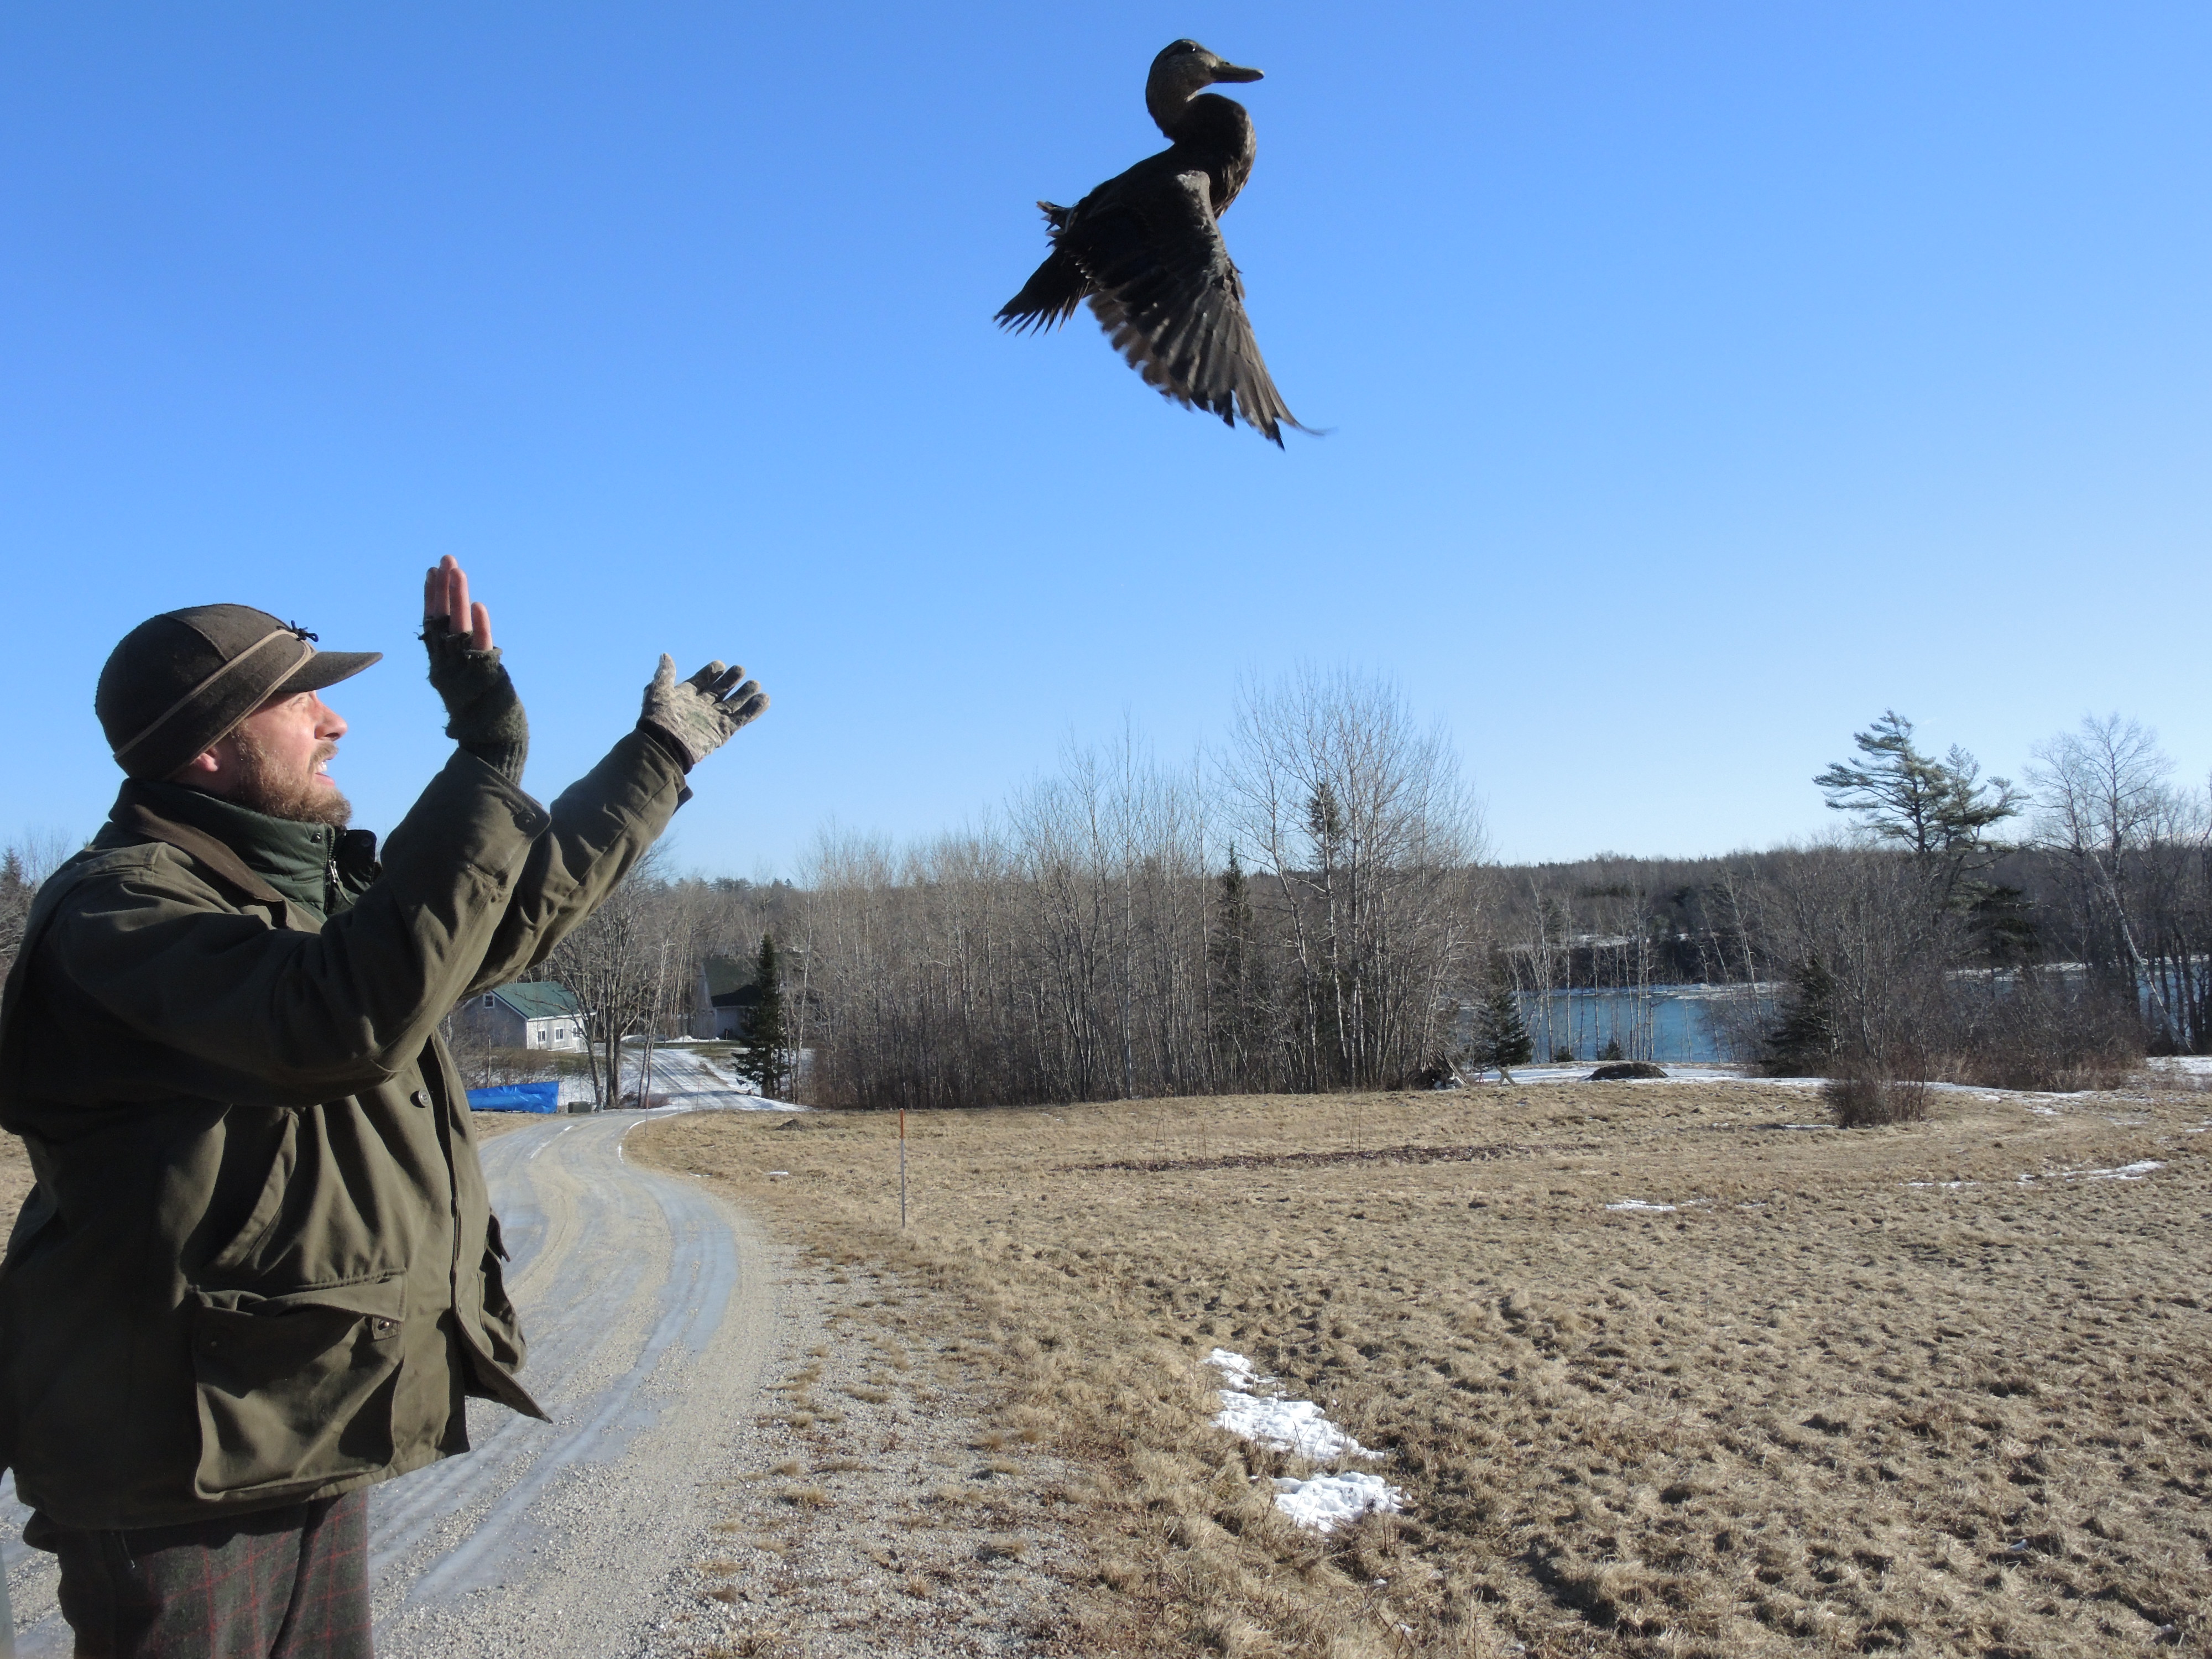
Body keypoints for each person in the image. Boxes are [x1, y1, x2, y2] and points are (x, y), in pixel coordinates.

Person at [0, 558, 767, 1657]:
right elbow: (339, 1023)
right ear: (206, 748)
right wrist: (488, 758)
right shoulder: (120, 909)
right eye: (299, 699)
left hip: (291, 1416)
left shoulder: (294, 894)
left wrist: (656, 760)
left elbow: (496, 916)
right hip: (174, 1458)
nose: (335, 721)